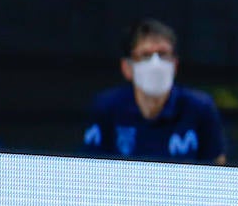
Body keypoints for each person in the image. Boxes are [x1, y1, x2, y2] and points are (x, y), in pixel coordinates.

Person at [82, 18, 227, 164]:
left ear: (175, 65)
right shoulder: (107, 107)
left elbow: (217, 168)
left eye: (163, 54)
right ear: (127, 67)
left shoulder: (200, 107)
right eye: (146, 55)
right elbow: (90, 167)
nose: (155, 64)